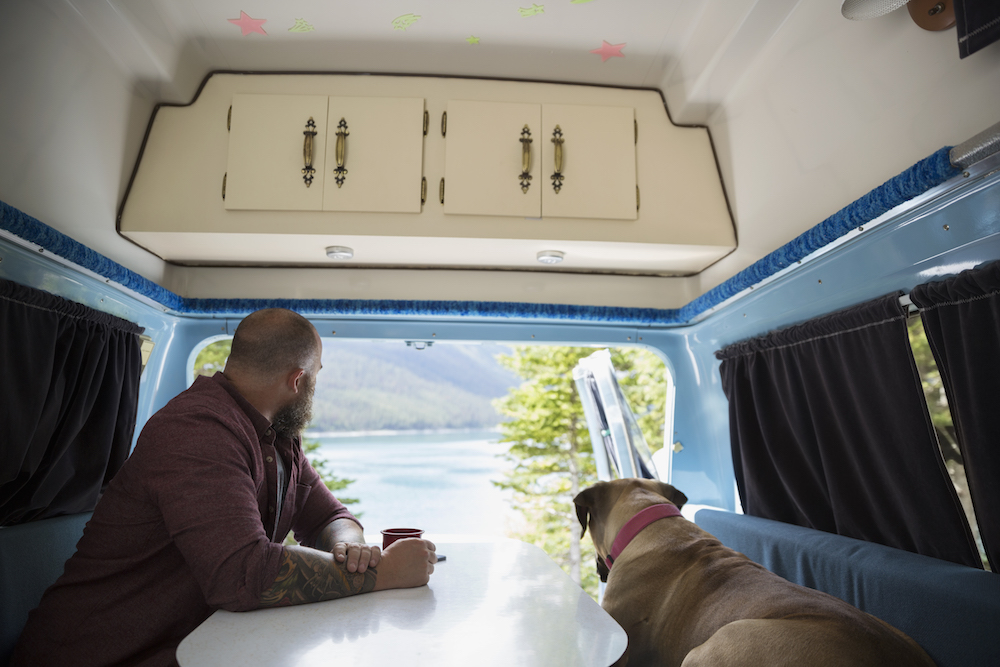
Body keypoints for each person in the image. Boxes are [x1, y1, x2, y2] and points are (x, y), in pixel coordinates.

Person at [12, 308, 437, 666]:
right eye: (316, 377)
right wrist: (385, 574)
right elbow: (242, 574)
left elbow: (328, 515)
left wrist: (352, 544)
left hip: (189, 648)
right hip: (98, 657)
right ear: (298, 380)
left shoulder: (277, 437)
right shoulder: (198, 430)